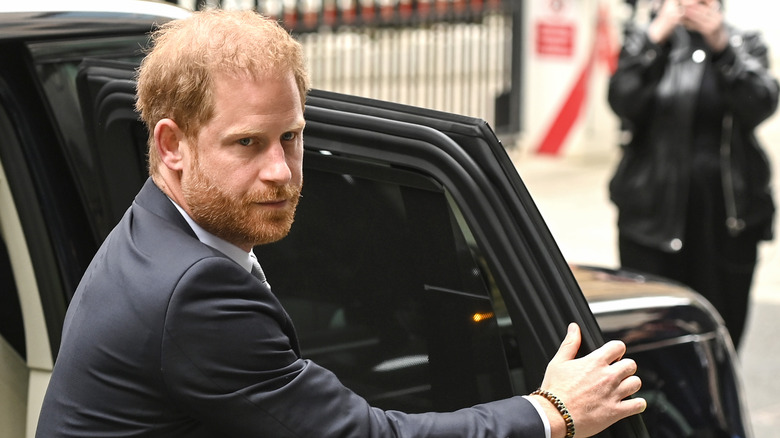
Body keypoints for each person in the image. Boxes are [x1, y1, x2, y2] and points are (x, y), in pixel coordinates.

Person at [36, 9, 645, 438]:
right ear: (171, 144)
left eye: (292, 137)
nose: (280, 171)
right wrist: (552, 410)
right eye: (247, 143)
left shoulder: (155, 228)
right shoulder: (193, 292)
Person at [608, 0, 778, 349]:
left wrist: (723, 48)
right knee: (649, 335)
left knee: (723, 331)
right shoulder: (647, 42)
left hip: (727, 218)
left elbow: (760, 103)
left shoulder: (744, 43)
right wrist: (654, 39)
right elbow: (622, 101)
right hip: (651, 215)